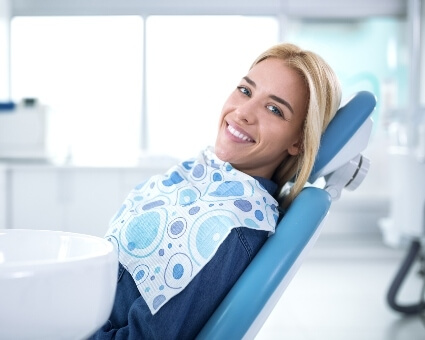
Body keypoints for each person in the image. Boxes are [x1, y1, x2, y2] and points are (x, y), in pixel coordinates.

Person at [90, 42, 341, 339]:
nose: (243, 112)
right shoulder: (203, 175)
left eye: (274, 109)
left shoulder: (228, 228)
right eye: (246, 90)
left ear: (298, 141)